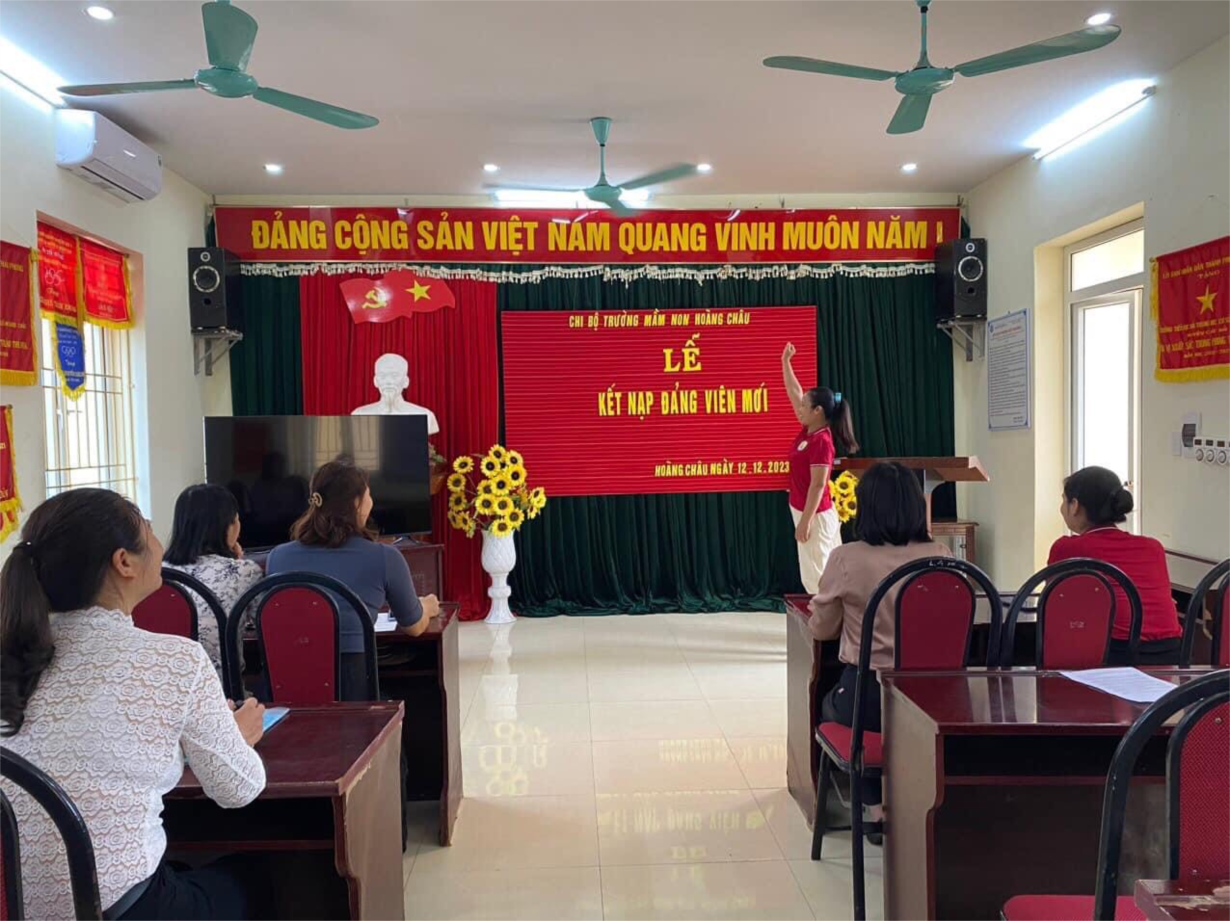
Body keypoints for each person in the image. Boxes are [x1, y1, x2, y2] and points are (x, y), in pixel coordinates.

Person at [0, 488, 268, 921]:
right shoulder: (174, 660)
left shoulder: (13, 657)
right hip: (118, 908)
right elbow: (238, 790)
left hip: (13, 906)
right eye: (148, 528)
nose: (160, 543)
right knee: (254, 876)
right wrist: (234, 738)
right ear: (123, 562)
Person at [808, 462, 951, 814]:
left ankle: (874, 804)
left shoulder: (846, 558)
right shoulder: (941, 555)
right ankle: (917, 797)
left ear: (865, 507)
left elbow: (822, 629)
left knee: (828, 704)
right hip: (934, 695)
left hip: (870, 694)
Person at [265, 461, 440, 700]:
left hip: (289, 690)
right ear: (357, 503)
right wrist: (427, 606)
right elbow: (414, 627)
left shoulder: (277, 557)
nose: (371, 502)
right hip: (354, 693)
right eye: (368, 494)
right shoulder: (385, 557)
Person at [1048, 465, 1182, 665]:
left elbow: (1055, 602)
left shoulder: (1067, 548)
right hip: (1171, 652)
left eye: (1063, 500)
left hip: (1113, 654)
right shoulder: (1153, 547)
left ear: (1074, 506)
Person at [781, 342, 860, 593]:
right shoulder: (808, 430)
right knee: (816, 572)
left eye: (804, 406)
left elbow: (817, 485)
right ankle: (827, 617)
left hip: (815, 516)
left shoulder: (822, 442)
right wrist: (785, 362)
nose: (799, 408)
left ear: (818, 411)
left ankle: (825, 618)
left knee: (818, 576)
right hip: (805, 510)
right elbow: (794, 391)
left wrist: (805, 522)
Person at [163, 484, 264, 675]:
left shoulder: (159, 572)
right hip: (221, 689)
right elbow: (267, 630)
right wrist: (237, 563)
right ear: (228, 525)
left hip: (164, 684)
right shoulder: (244, 572)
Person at [351, 352, 440, 435]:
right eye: (382, 376)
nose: (388, 381)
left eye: (394, 376)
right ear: (375, 381)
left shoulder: (425, 415)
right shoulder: (358, 414)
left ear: (406, 381)